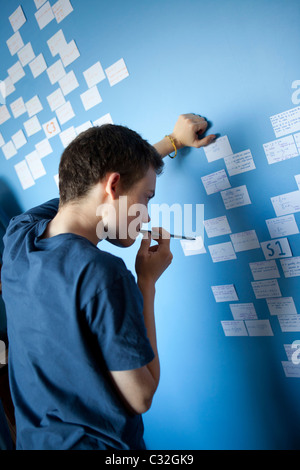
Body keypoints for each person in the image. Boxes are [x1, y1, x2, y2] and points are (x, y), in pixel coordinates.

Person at [1, 114, 216, 450]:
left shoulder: (19, 234)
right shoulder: (104, 273)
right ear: (113, 186)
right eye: (146, 198)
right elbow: (141, 396)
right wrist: (147, 282)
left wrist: (173, 140)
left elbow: (81, 191)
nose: (145, 215)